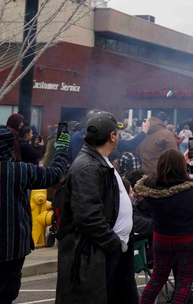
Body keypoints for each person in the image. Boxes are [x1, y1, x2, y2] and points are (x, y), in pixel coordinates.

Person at [55, 111, 138, 303]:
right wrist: (114, 243)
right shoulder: (89, 167)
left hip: (104, 251)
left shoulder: (99, 160)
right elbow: (88, 216)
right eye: (117, 132)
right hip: (96, 253)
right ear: (112, 136)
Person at [135, 149, 193, 303]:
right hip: (190, 238)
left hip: (162, 238)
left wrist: (181, 162)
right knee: (184, 282)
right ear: (181, 168)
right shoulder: (189, 191)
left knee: (157, 278)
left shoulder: (150, 188)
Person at [1, 126, 70, 302]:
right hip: (12, 247)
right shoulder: (19, 171)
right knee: (6, 293)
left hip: (13, 246)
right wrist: (61, 149)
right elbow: (54, 174)